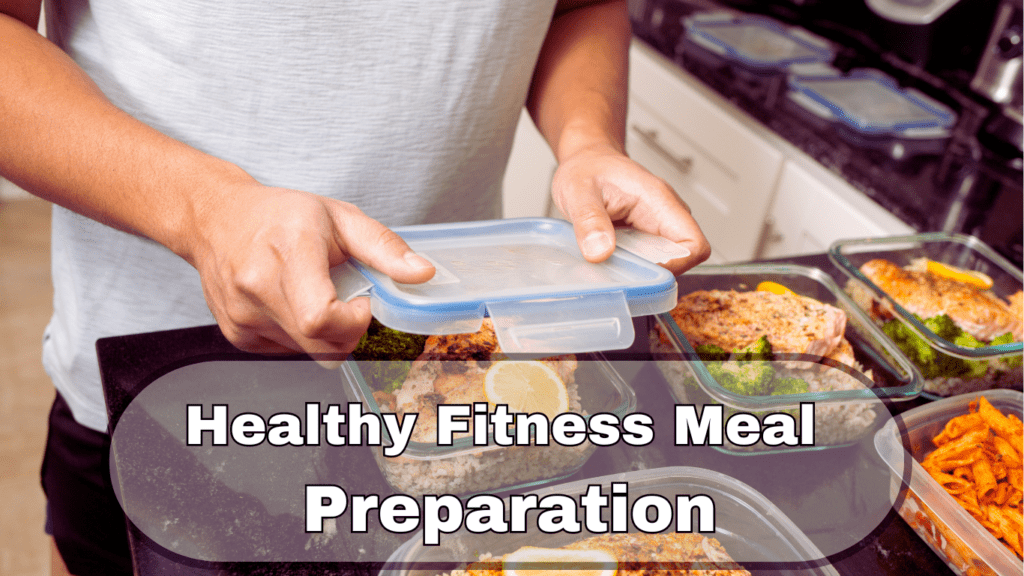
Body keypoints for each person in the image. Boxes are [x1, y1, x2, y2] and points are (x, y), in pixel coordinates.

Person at [0, 0, 710, 574]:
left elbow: (575, 7)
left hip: (457, 402)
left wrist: (588, 141)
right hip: (160, 385)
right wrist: (201, 209)